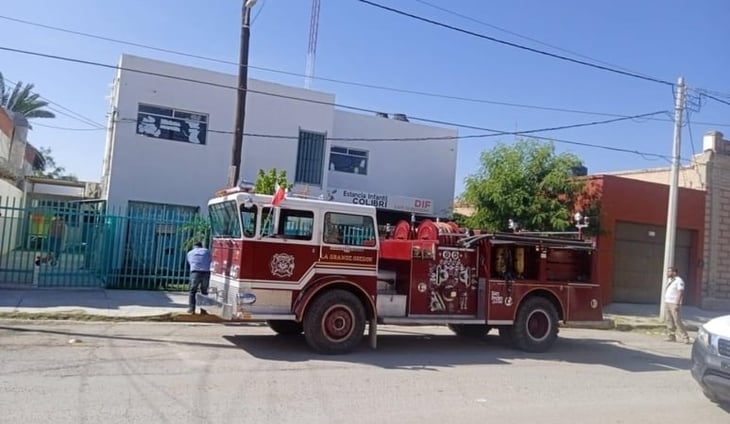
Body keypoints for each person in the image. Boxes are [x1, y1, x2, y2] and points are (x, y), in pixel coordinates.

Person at [664, 266, 690, 343]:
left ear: (674, 272)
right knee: (669, 320)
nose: (667, 273)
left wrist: (677, 303)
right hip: (667, 302)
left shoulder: (679, 281)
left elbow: (680, 292)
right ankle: (671, 336)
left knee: (677, 320)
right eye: (667, 271)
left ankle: (685, 337)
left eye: (669, 271)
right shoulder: (670, 280)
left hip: (674, 303)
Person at [186, 241, 211, 314]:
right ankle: (203, 310)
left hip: (195, 272)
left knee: (192, 291)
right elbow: (210, 260)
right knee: (204, 291)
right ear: (201, 246)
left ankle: (191, 309)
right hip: (206, 273)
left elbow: (190, 262)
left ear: (194, 246)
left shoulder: (190, 253)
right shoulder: (207, 251)